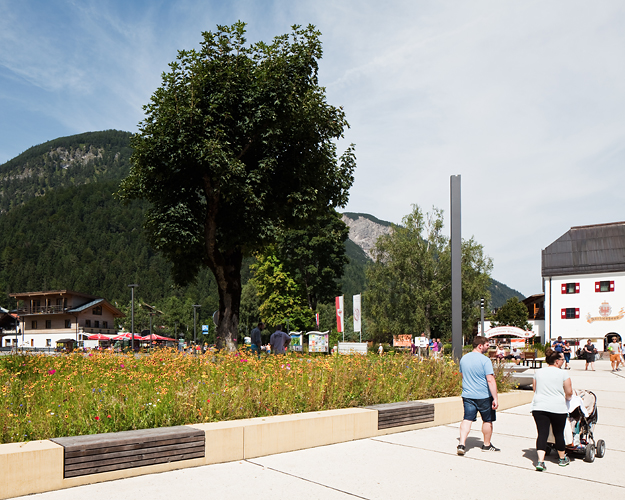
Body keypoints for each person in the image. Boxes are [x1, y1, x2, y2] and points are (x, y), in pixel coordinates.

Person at [531, 348, 572, 471]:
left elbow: (535, 389)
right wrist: (568, 398)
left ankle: (540, 461)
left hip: (539, 406)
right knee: (558, 433)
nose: (563, 362)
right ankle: (562, 458)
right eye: (562, 360)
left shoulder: (538, 372)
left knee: (542, 433)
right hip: (557, 407)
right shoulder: (563, 373)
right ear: (556, 361)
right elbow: (569, 392)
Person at [457, 336, 499, 456]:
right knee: (487, 420)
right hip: (483, 395)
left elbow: (463, 375)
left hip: (468, 394)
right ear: (480, 346)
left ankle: (462, 444)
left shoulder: (464, 359)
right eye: (486, 345)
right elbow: (490, 380)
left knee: (467, 419)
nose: (488, 347)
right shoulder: (485, 360)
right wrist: (495, 397)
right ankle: (486, 444)